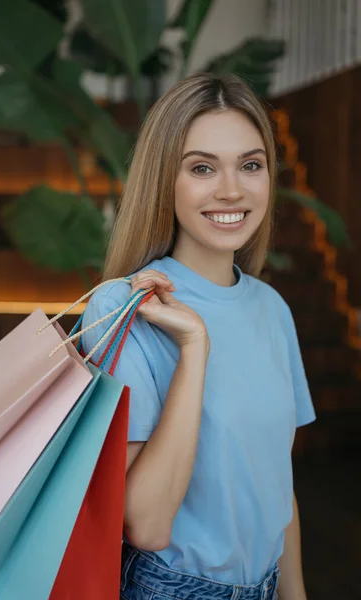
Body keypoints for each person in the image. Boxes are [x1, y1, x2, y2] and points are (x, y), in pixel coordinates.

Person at [81, 72, 316, 600]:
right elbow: (145, 524)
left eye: (250, 165)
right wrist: (194, 348)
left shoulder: (272, 309)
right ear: (165, 179)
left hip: (268, 582)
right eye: (202, 167)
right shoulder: (120, 308)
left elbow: (278, 487)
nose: (231, 190)